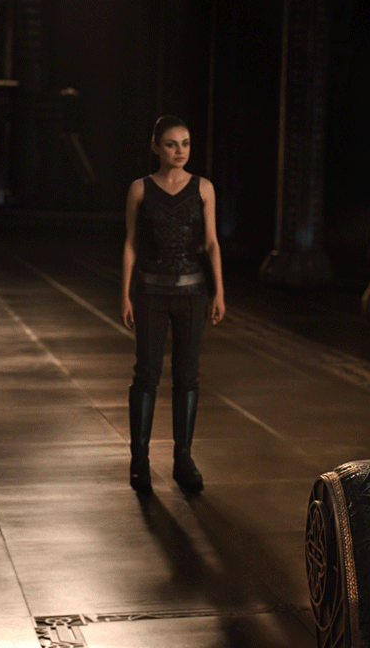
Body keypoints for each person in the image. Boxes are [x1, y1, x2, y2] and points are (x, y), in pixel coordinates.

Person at [120, 115, 225, 493]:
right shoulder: (140, 189)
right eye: (171, 144)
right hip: (151, 292)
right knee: (146, 374)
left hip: (193, 294)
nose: (180, 151)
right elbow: (131, 243)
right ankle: (139, 461)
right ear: (155, 147)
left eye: (185, 143)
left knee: (187, 375)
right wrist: (125, 293)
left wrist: (219, 291)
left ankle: (184, 458)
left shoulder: (203, 188)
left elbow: (211, 243)